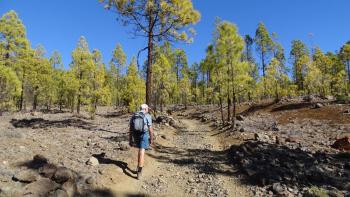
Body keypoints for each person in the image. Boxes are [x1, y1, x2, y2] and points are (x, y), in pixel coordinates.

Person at [129, 104, 153, 179]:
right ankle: (139, 171)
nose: (148, 110)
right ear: (145, 109)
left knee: (139, 149)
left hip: (136, 134)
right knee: (142, 151)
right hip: (144, 134)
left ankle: (138, 165)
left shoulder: (134, 115)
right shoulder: (147, 116)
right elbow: (150, 129)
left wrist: (130, 139)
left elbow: (130, 128)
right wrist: (151, 138)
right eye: (147, 109)